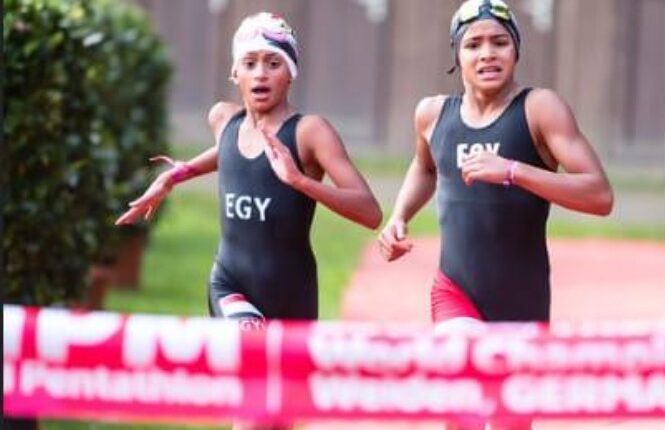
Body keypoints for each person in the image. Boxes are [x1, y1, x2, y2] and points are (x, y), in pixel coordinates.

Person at [116, 11, 382, 429]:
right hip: (230, 284)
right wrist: (177, 174)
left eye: (274, 63)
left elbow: (369, 211)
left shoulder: (310, 132)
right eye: (250, 62)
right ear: (235, 73)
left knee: (279, 416)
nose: (261, 73)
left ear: (290, 73)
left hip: (293, 294)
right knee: (253, 407)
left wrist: (300, 181)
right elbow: (229, 151)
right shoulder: (224, 119)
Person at [377, 0, 614, 429]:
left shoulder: (539, 109)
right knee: (462, 409)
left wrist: (512, 171)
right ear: (457, 54)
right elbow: (426, 166)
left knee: (510, 421)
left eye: (499, 42)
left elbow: (599, 195)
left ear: (516, 50)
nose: (487, 53)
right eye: (473, 44)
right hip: (455, 290)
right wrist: (400, 215)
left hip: (521, 299)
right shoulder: (432, 114)